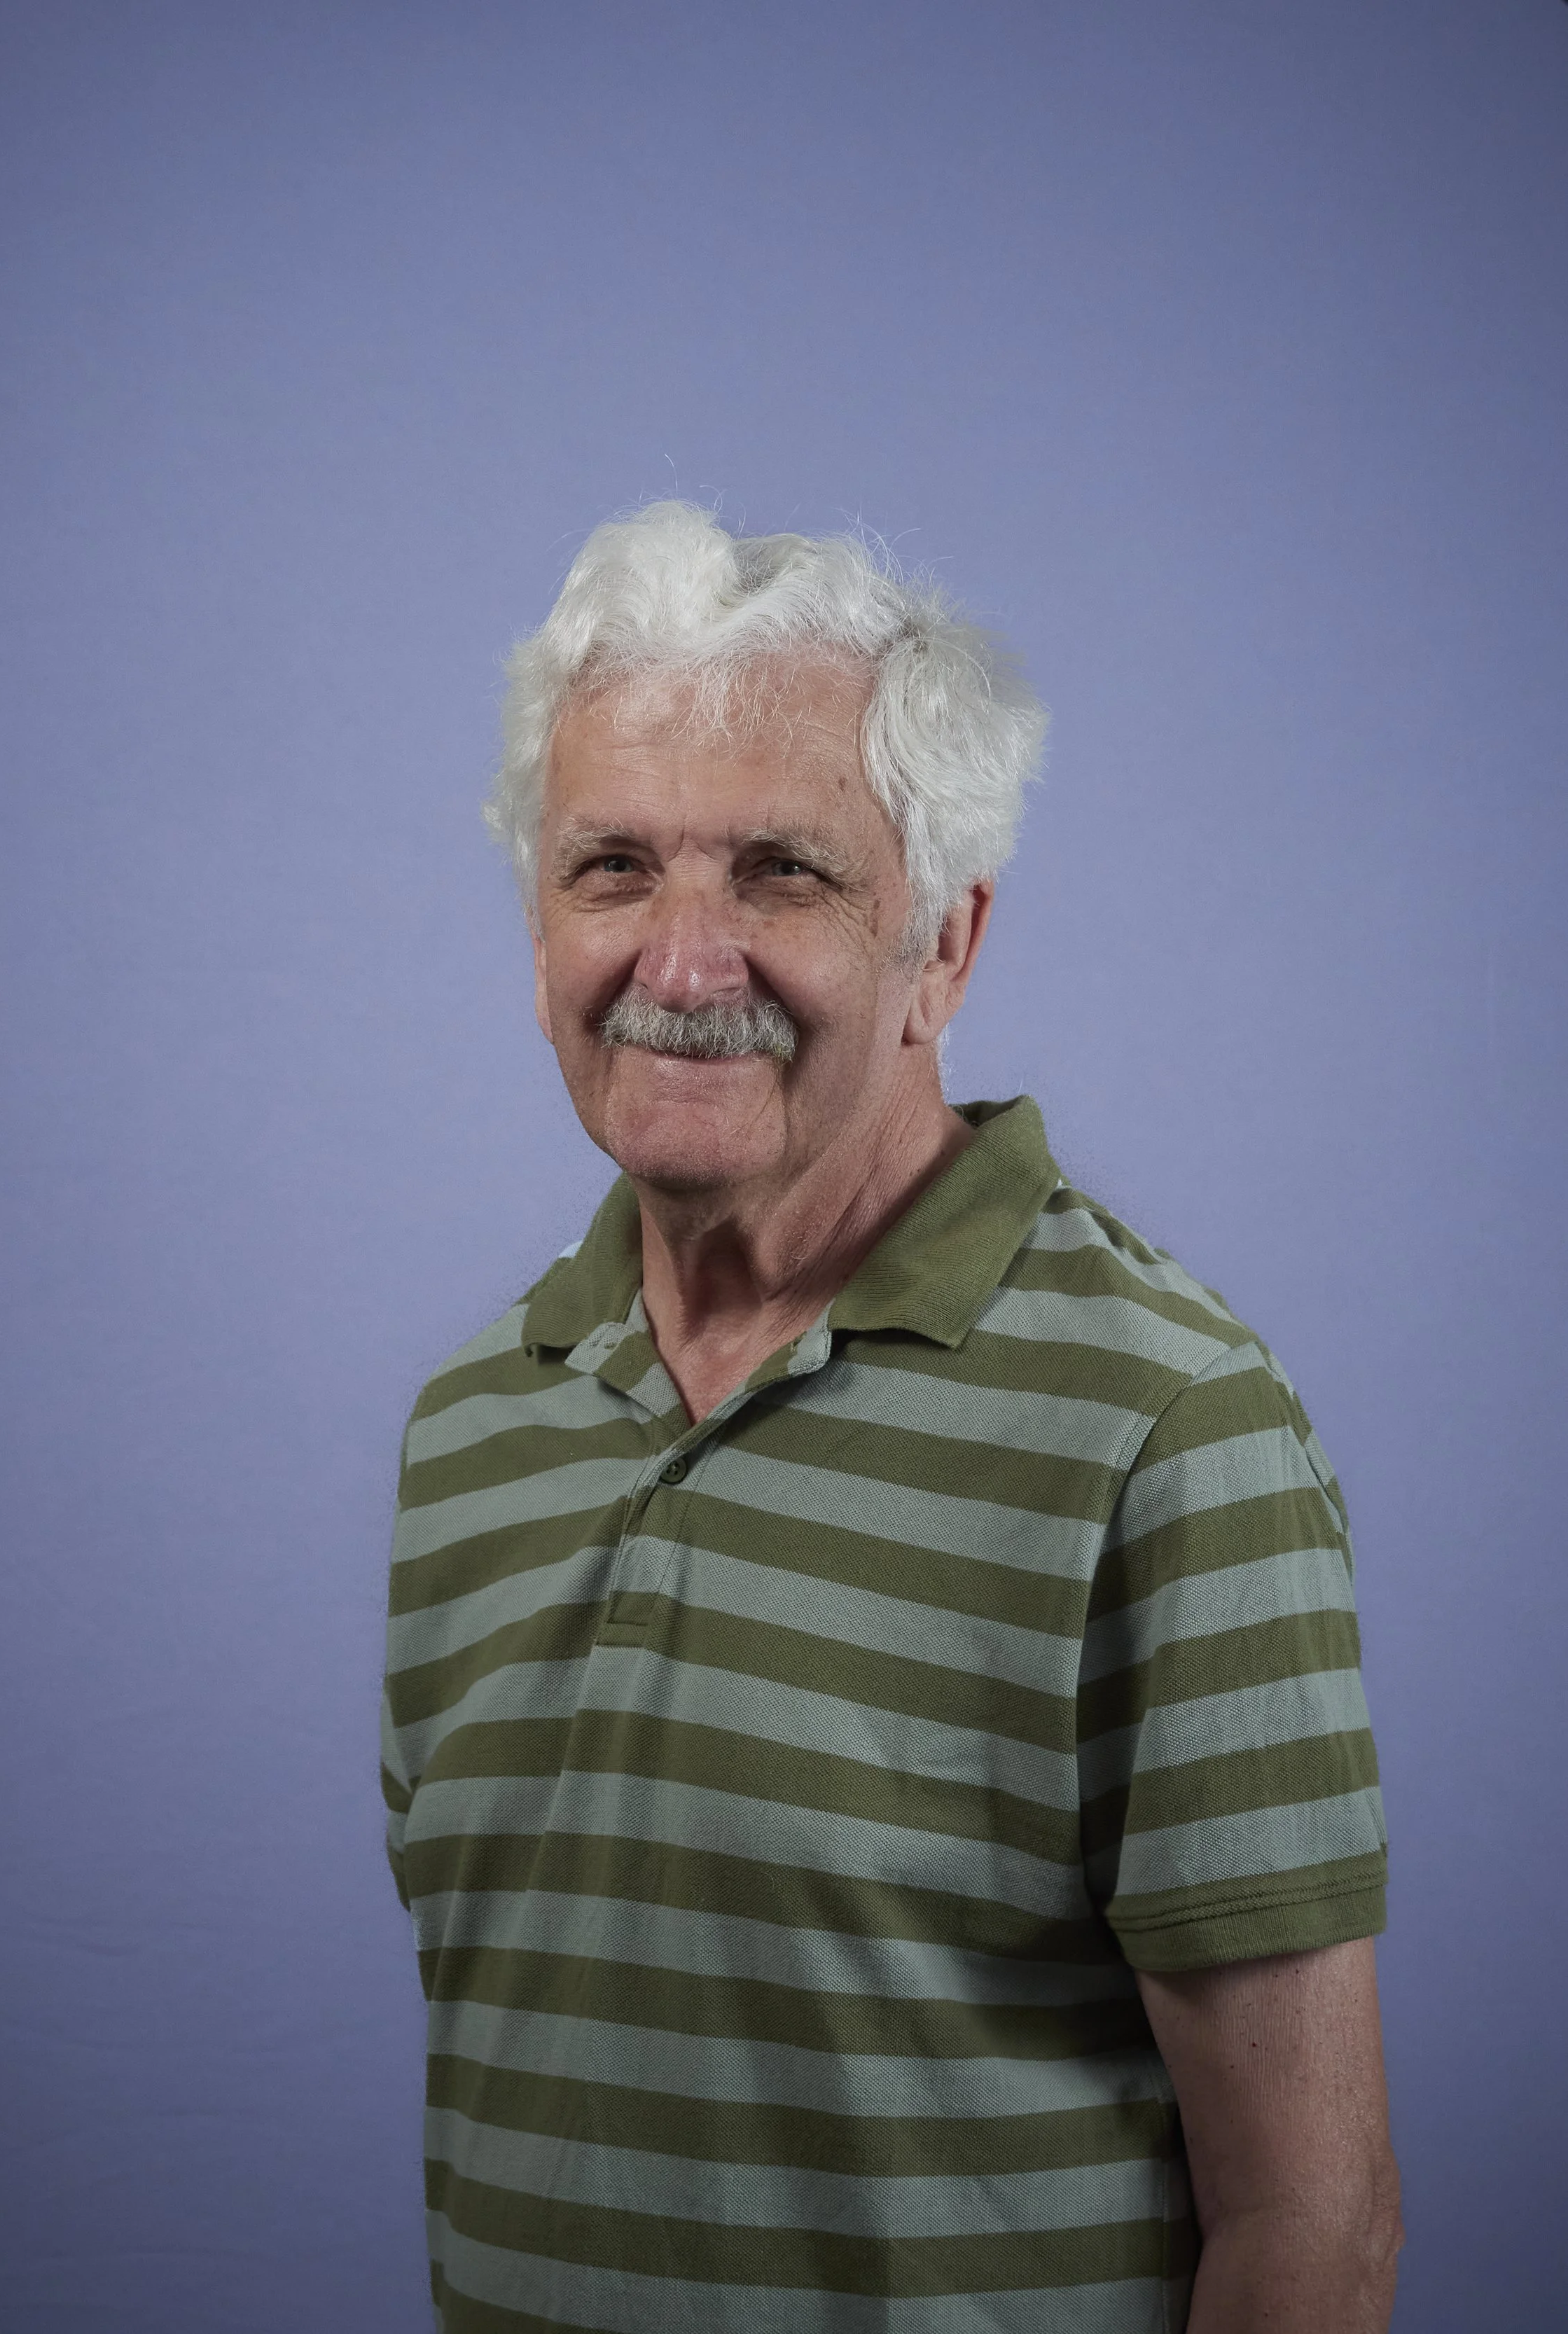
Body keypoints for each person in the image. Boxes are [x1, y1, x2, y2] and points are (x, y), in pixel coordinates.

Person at [382, 501, 1401, 2333]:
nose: (681, 965)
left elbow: (1309, 2229)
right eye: (610, 865)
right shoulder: (475, 1430)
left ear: (943, 945)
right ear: (537, 917)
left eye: (780, 871)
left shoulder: (1165, 1433)